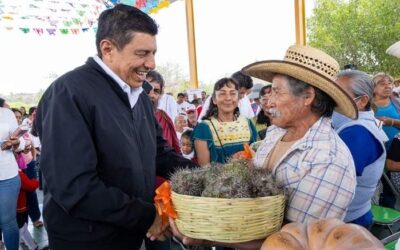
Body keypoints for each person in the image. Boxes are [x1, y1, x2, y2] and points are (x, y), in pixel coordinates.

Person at [34, 5, 197, 250]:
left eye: (153, 53)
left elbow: (158, 154)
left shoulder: (139, 96)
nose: (151, 63)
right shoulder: (69, 93)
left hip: (130, 234)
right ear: (108, 49)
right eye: (142, 53)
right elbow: (75, 188)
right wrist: (148, 215)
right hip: (87, 240)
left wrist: (206, 173)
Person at [170, 45, 358, 250]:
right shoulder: (276, 133)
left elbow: (296, 241)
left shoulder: (327, 159)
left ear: (307, 97)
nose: (267, 102)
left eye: (276, 92)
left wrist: (207, 239)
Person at [333, 70, 387, 228]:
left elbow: (335, 180)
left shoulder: (357, 132)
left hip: (348, 222)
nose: (331, 99)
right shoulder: (355, 126)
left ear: (362, 100)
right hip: (354, 216)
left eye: (339, 94)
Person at [193, 77, 257, 166]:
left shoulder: (248, 123)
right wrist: (232, 163)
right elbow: (204, 170)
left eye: (233, 93)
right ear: (214, 100)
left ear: (238, 99)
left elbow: (257, 157)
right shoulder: (203, 128)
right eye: (222, 94)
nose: (228, 98)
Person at [0, 105, 25, 250]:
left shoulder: (6, 113)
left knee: (7, 221)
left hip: (7, 176)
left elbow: (20, 141)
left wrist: (16, 143)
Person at [147, 70, 181, 155]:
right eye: (147, 89)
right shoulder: (127, 116)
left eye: (156, 91)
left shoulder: (162, 117)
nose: (152, 95)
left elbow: (170, 148)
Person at [373, 72, 400, 149]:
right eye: (382, 84)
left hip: (397, 155)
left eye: (389, 83)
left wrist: (391, 122)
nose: (387, 86)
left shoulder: (397, 103)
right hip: (378, 153)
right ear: (373, 88)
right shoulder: (366, 106)